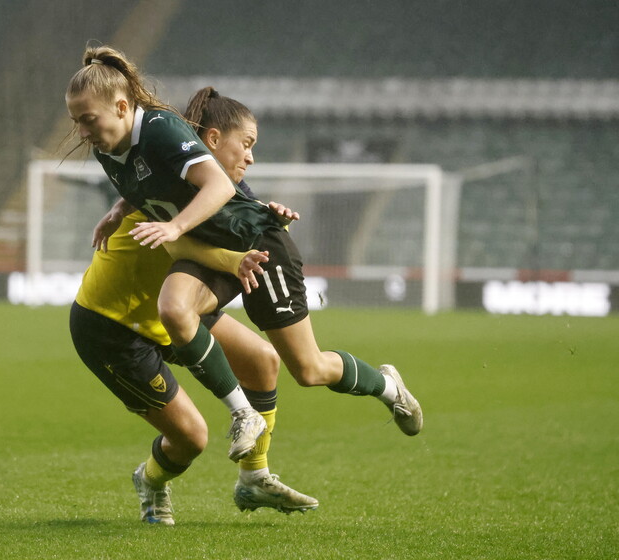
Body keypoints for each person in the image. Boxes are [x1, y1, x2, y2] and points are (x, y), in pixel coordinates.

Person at [66, 46, 422, 453]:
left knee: (308, 369)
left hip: (259, 247)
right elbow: (147, 182)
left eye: (87, 120)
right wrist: (119, 209)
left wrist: (176, 225)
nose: (81, 132)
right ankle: (242, 415)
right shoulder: (108, 148)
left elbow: (218, 187)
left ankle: (388, 387)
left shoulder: (161, 129)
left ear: (122, 106)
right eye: (77, 121)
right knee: (174, 309)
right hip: (211, 249)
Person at [71, 88, 317, 525]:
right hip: (114, 325)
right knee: (191, 439)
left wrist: (263, 213)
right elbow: (186, 244)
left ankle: (254, 478)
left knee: (263, 360)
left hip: (168, 314)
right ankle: (150, 481)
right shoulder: (163, 188)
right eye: (244, 147)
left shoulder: (196, 188)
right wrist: (237, 258)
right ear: (209, 143)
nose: (248, 159)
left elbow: (226, 213)